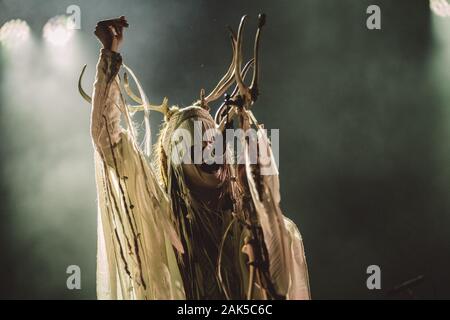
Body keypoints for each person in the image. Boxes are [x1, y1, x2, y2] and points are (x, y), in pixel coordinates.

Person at [83, 15, 310, 300]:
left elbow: (282, 283)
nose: (209, 148)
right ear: (177, 164)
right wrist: (109, 56)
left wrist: (260, 201)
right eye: (193, 144)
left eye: (213, 141)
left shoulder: (249, 224)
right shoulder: (163, 222)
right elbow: (108, 142)